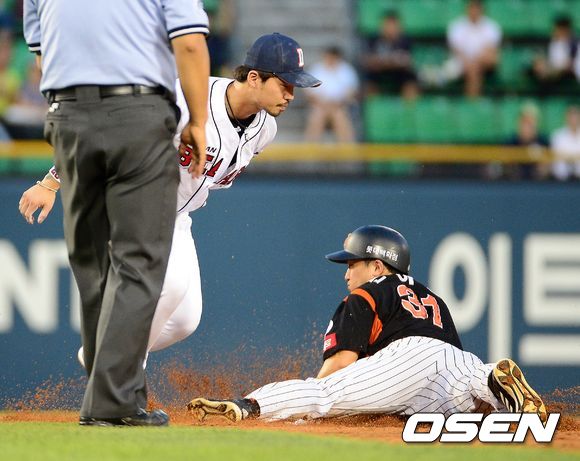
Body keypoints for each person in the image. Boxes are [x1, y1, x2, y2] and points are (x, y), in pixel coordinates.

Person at [18, 31, 322, 396]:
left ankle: (104, 352)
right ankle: (122, 378)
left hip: (175, 216)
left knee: (184, 321)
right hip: (128, 204)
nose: (291, 95)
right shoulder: (188, 98)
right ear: (254, 78)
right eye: (285, 85)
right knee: (171, 285)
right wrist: (51, 182)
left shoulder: (265, 129)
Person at [23, 0, 211, 426]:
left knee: (93, 265)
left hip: (67, 115)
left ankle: (117, 398)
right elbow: (190, 43)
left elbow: (42, 55)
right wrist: (197, 120)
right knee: (139, 261)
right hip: (136, 114)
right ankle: (112, 403)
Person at [187, 225, 547, 423]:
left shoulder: (366, 294)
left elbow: (340, 364)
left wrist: (312, 411)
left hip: (406, 359)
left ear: (377, 266)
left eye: (352, 264)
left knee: (323, 394)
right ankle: (493, 381)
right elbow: (446, 352)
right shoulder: (433, 298)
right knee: (468, 398)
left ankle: (249, 405)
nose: (346, 274)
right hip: (456, 362)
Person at [446, 0, 502, 97]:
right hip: (462, 62)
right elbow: (456, 50)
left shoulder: (491, 26)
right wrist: (468, 62)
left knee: (489, 60)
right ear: (467, 9)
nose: (474, 11)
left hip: (483, 61)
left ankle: (472, 100)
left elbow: (491, 49)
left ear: (482, 10)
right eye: (472, 8)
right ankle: (473, 101)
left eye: (477, 9)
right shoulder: (457, 26)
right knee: (473, 70)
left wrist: (475, 62)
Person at [304, 47, 359, 143]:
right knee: (317, 118)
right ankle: (311, 149)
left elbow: (351, 91)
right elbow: (308, 90)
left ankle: (346, 149)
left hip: (340, 106)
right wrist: (321, 103)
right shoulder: (316, 69)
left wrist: (338, 103)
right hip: (319, 105)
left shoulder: (346, 70)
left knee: (340, 118)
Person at [360, 11, 419, 99]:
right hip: (379, 73)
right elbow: (367, 60)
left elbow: (407, 61)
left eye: (393, 25)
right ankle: (373, 106)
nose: (390, 29)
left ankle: (409, 107)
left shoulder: (405, 40)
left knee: (411, 83)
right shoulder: (373, 39)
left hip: (400, 73)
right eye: (388, 25)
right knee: (368, 83)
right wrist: (392, 60)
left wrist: (384, 61)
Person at [531, 16, 578, 94]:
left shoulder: (574, 45)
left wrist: (554, 70)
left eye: (558, 29)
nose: (555, 31)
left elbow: (571, 64)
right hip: (551, 73)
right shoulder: (551, 43)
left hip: (567, 76)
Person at [550, 105, 580, 181]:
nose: (573, 119)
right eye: (571, 116)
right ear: (566, 118)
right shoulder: (557, 136)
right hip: (561, 179)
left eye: (575, 116)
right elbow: (555, 160)